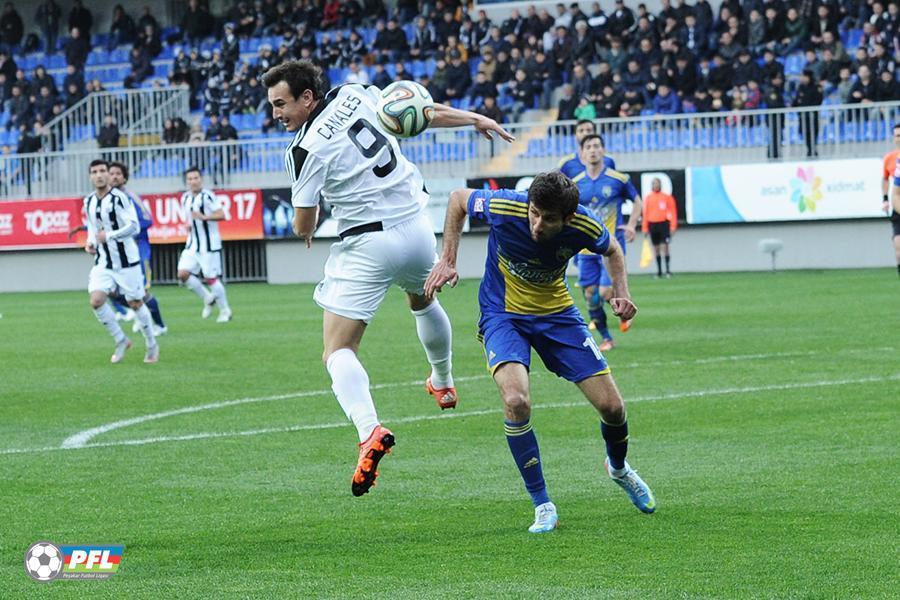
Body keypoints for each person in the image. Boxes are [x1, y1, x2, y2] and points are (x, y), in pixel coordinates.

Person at [261, 59, 514, 497]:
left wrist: (310, 222)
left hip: (368, 244)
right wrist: (475, 118)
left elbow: (303, 224)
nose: (276, 114)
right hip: (415, 227)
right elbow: (421, 111)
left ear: (307, 97)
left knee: (337, 350)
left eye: (281, 104)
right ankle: (443, 381)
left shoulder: (302, 149)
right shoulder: (354, 93)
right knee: (422, 300)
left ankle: (369, 431)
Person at [424, 172, 656, 533]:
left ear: (567, 218)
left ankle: (619, 468)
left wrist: (622, 293)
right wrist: (448, 259)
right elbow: (457, 199)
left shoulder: (584, 224)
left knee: (613, 408)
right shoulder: (505, 205)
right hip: (503, 314)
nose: (537, 224)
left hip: (557, 314)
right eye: (534, 213)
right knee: (516, 401)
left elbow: (612, 249)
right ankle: (543, 504)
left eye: (548, 219)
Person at [82, 159, 159, 364]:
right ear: (90, 176)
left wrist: (109, 236)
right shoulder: (89, 201)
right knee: (96, 301)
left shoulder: (120, 198)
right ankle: (121, 340)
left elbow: (134, 226)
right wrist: (91, 243)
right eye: (94, 172)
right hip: (103, 262)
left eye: (102, 171)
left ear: (108, 174)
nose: (99, 175)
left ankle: (151, 344)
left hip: (127, 261)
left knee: (135, 302)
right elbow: (92, 227)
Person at [572, 134, 641, 351]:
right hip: (585, 248)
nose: (593, 150)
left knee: (603, 292)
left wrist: (631, 225)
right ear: (582, 153)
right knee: (590, 296)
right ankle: (607, 338)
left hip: (610, 247)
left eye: (596, 146)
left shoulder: (618, 179)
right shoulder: (575, 184)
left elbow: (638, 202)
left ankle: (624, 306)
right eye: (588, 147)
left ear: (603, 150)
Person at [109, 161, 167, 335]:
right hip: (118, 252)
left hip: (138, 248)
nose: (114, 177)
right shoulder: (107, 200)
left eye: (118, 174)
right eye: (111, 174)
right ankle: (137, 314)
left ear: (124, 178)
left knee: (142, 291)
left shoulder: (131, 197)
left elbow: (147, 220)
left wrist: (127, 231)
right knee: (111, 290)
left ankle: (160, 325)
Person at [176, 167, 232, 323]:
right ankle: (207, 297)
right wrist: (188, 225)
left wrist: (204, 217)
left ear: (201, 179)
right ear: (186, 182)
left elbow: (222, 215)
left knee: (210, 278)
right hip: (192, 244)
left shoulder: (208, 196)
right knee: (182, 274)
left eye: (196, 178)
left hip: (209, 245)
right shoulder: (185, 198)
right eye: (190, 179)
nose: (193, 181)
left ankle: (225, 311)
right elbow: (189, 218)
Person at [641, 177, 677, 278]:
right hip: (653, 225)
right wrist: (645, 228)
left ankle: (668, 270)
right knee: (656, 248)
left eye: (657, 183)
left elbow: (673, 212)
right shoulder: (648, 198)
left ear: (660, 185)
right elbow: (645, 213)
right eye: (653, 183)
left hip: (663, 224)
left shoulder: (667, 197)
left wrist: (673, 226)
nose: (655, 185)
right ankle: (659, 271)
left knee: (665, 247)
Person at [884, 124, 900, 277]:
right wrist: (885, 199)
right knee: (898, 247)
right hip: (898, 208)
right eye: (897, 136)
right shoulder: (893, 160)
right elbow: (895, 193)